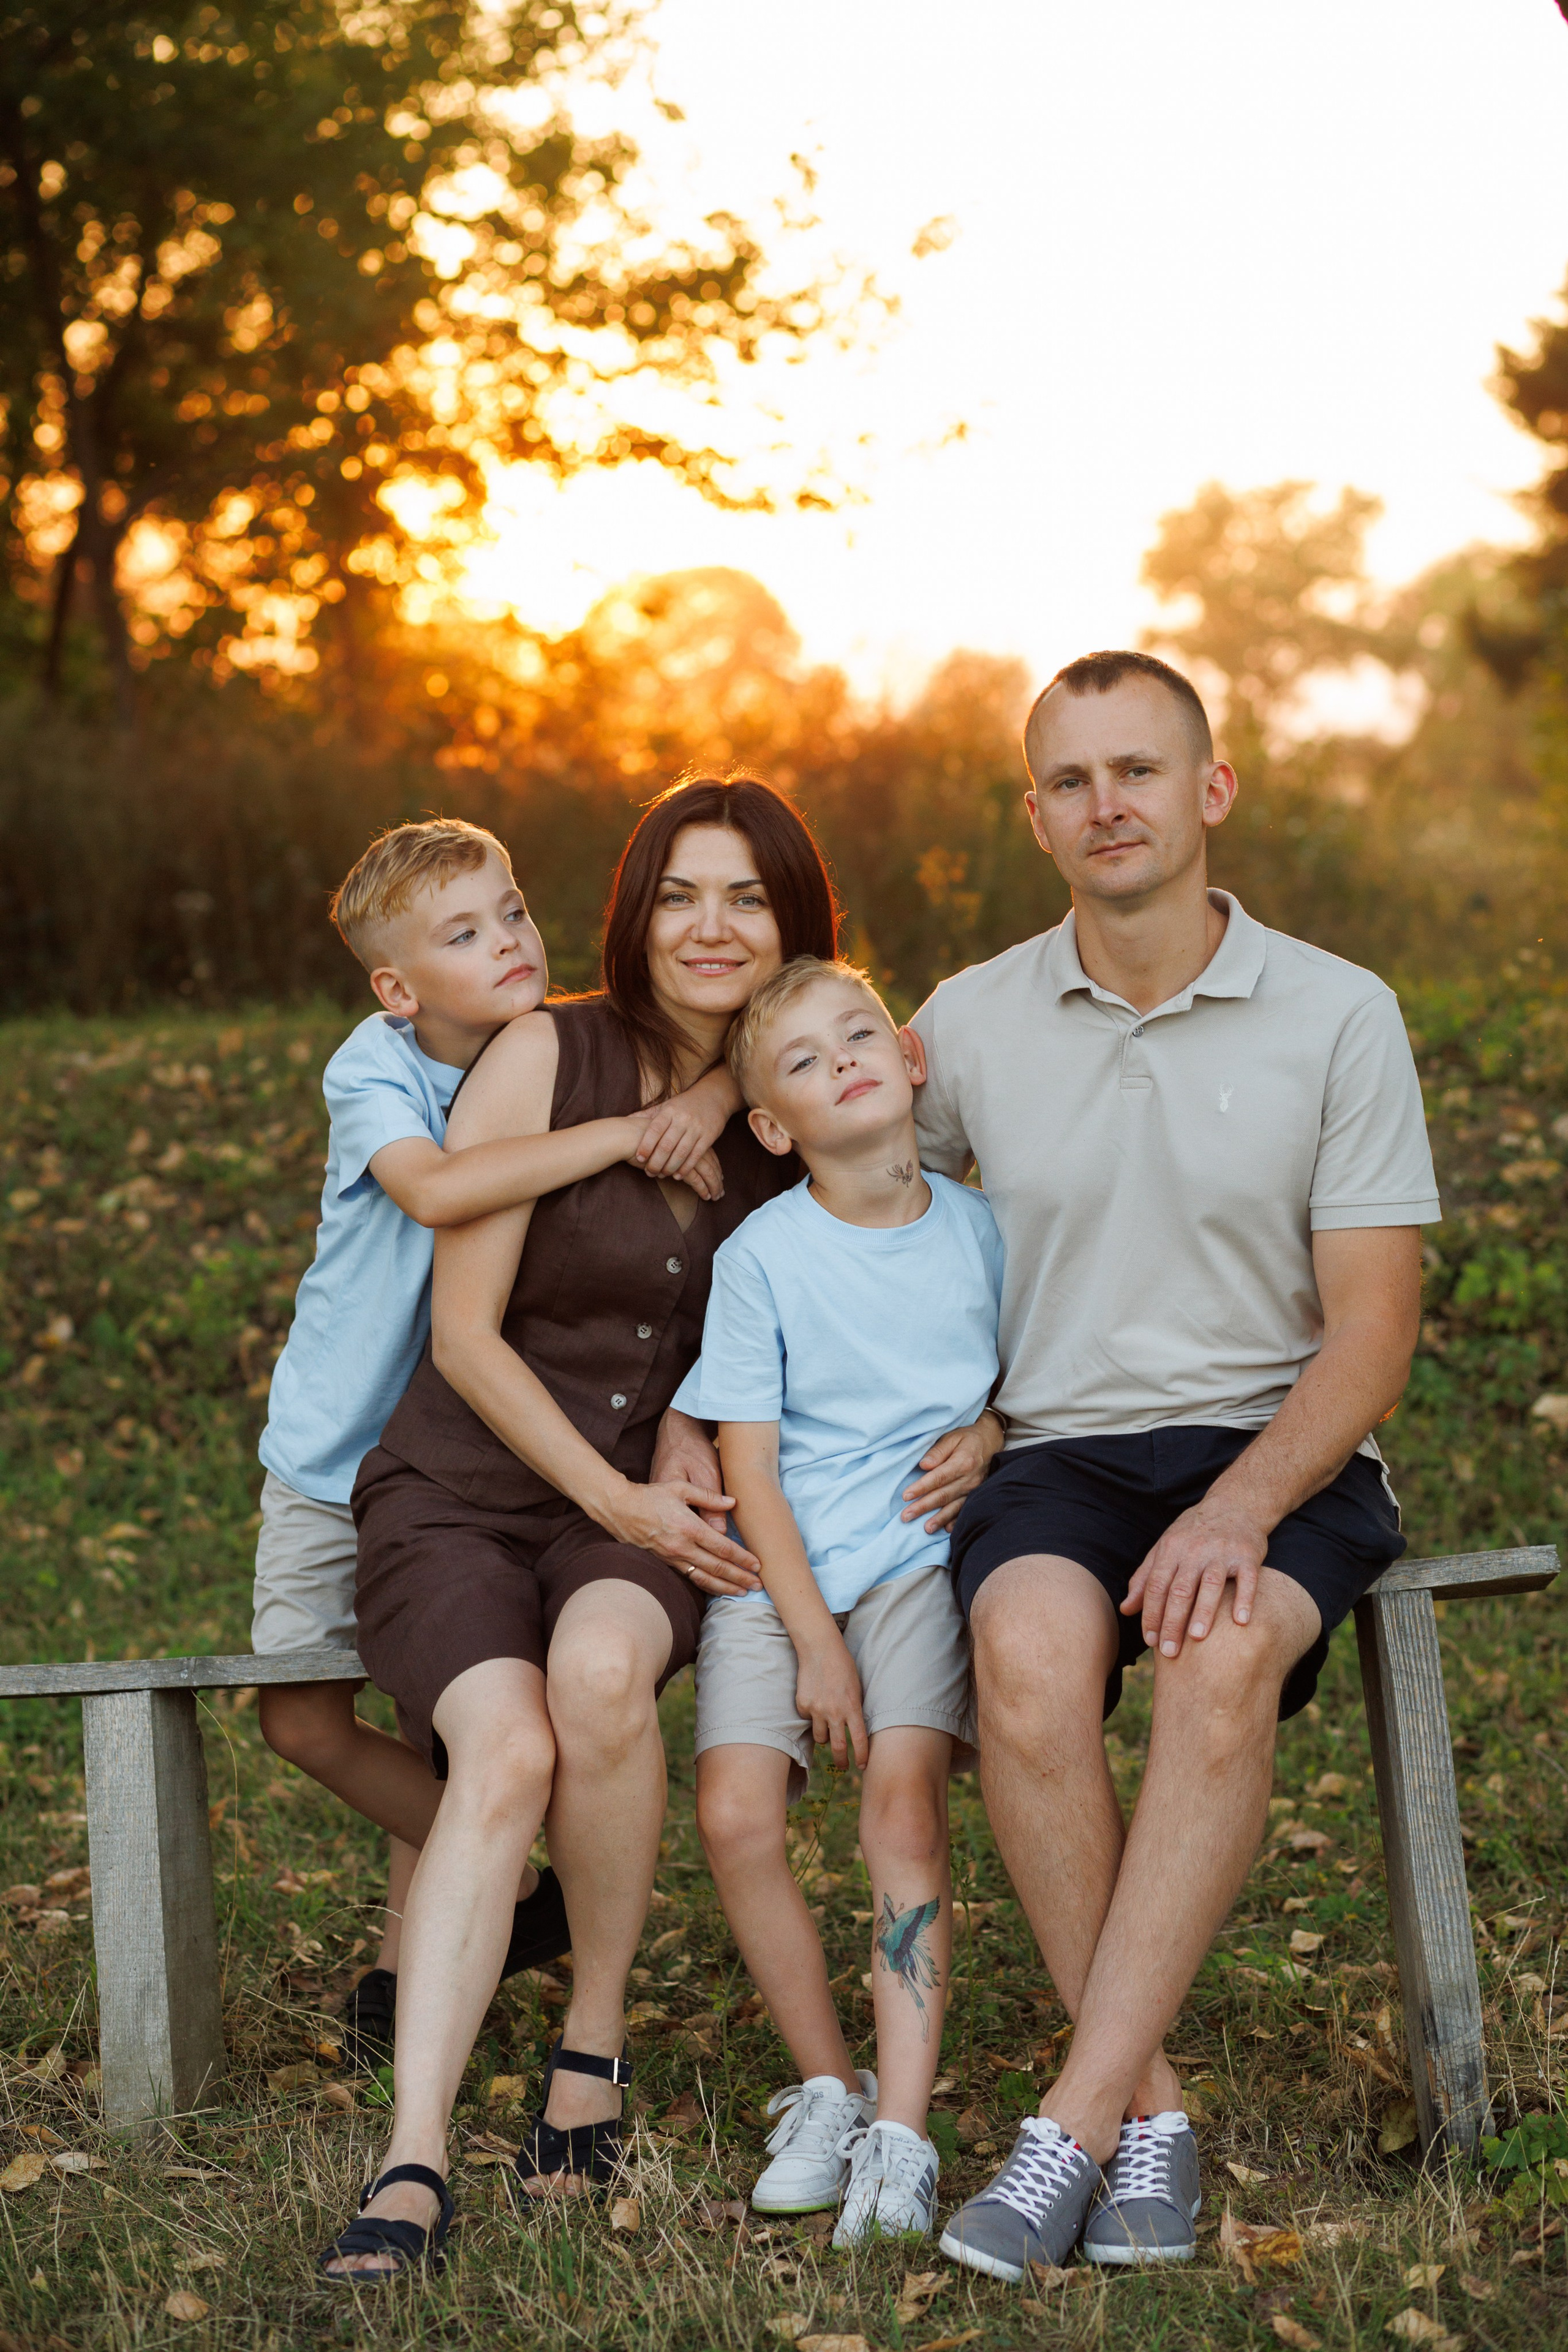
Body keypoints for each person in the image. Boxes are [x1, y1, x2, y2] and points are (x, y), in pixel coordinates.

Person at [913, 651, 1438, 2278]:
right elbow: (879, 1240)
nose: (1107, 805)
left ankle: (1069, 2127)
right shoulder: (963, 1023)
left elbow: (1371, 1331)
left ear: (1211, 791)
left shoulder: (1339, 1011)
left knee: (1214, 1670)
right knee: (1022, 1659)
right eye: (1070, 781)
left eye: (1137, 771)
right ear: (1036, 817)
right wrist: (966, 1400)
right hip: (1060, 1450)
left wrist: (1242, 1502)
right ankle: (1145, 2107)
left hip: (1281, 1444)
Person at [320, 775, 839, 2282]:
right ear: (632, 912)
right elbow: (467, 1336)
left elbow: (897, 1270)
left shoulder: (797, 1094)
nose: (710, 925)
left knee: (605, 1679)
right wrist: (606, 1492)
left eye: (746, 895)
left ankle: (589, 2046)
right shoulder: (548, 1049)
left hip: (644, 1504)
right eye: (679, 892)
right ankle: (413, 2155)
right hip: (463, 1495)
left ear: (793, 917)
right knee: (511, 1745)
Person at [255, 816, 734, 2056]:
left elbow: (703, 1049)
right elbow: (440, 1189)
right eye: (464, 934)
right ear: (399, 987)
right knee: (301, 1718)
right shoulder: (376, 1068)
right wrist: (626, 1137)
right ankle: (519, 1878)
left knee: (462, 1705)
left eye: (511, 911)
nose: (508, 942)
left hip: (467, 1448)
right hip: (336, 1448)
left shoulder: (549, 1044)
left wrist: (717, 1091)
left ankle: (411, 1956)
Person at [679, 957, 1005, 2244]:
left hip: (918, 1560)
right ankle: (829, 2083)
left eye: (857, 1036)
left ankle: (902, 2134)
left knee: (899, 1812)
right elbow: (745, 1465)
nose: (841, 1064)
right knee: (733, 1814)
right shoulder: (762, 1256)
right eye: (802, 1063)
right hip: (782, 1571)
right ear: (773, 1125)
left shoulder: (984, 1228)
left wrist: (989, 1428)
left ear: (909, 1058)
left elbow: (1036, 1373)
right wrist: (811, 1642)